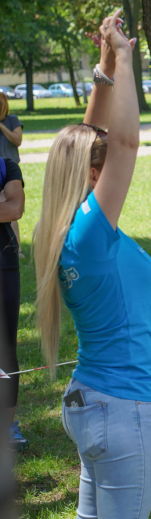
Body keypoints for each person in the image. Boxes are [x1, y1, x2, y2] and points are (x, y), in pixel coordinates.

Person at [33, 11, 151, 519]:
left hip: (97, 403)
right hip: (120, 408)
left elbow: (92, 137)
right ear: (93, 174)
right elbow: (126, 144)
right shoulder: (89, 231)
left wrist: (105, 69)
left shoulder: (66, 231)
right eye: (102, 163)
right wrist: (128, 60)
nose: (113, 165)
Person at [0, 126, 25, 451]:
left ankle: (8, 425)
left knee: (6, 346)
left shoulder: (8, 166)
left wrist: (6, 201)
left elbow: (15, 209)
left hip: (3, 264)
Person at [0, 95, 23, 259]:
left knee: (12, 214)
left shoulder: (12, 120)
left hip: (9, 170)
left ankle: (18, 249)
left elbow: (17, 140)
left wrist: (1, 126)